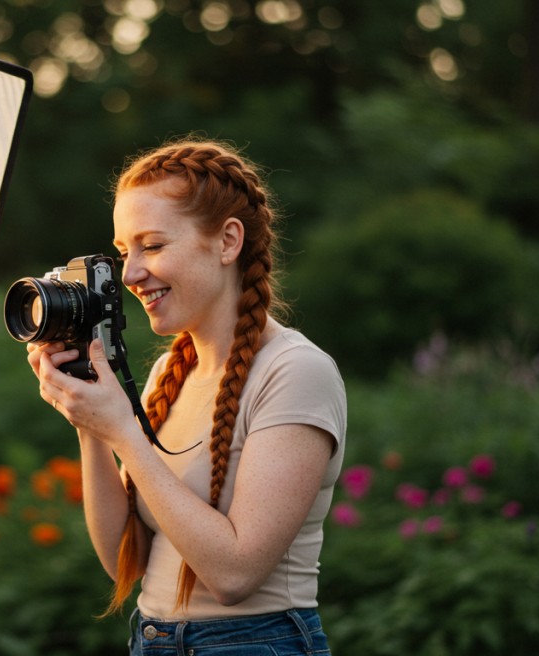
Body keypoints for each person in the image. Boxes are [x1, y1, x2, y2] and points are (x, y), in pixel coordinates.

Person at [26, 139, 346, 655]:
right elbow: (124, 560)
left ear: (227, 242)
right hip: (152, 641)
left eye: (152, 246)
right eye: (125, 251)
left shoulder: (295, 372)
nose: (129, 274)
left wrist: (125, 435)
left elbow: (235, 573)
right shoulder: (167, 375)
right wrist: (87, 420)